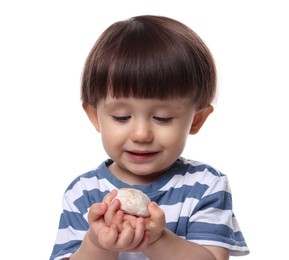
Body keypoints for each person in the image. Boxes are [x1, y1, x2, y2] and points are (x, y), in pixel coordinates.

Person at [50, 15, 249, 260]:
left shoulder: (205, 186)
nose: (141, 134)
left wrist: (157, 240)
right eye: (122, 117)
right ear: (95, 117)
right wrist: (98, 243)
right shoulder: (84, 193)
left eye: (163, 118)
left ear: (196, 120)